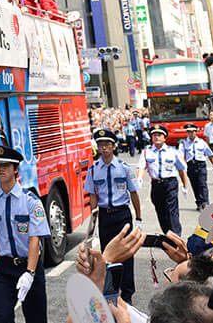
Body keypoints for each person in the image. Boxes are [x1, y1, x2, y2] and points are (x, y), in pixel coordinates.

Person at [0, 144, 48, 323]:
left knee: (36, 319)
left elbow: (34, 239)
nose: (1, 169)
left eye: (6, 165)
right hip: (4, 269)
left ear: (16, 169)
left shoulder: (31, 201)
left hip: (29, 265)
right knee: (1, 318)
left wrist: (30, 273)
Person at [83, 128, 143, 304]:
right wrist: (93, 223)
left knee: (127, 254)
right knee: (107, 255)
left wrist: (138, 219)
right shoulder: (93, 170)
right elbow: (93, 195)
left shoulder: (124, 168)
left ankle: (128, 294)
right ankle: (111, 291)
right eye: (101, 145)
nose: (104, 148)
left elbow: (134, 193)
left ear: (114, 146)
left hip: (122, 215)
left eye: (107, 144)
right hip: (105, 217)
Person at [139, 126, 189, 237]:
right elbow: (142, 167)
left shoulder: (173, 152)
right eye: (154, 135)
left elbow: (181, 170)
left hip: (170, 183)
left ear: (164, 138)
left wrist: (185, 185)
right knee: (160, 211)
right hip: (156, 184)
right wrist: (140, 179)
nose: (156, 137)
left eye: (159, 135)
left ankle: (176, 237)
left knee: (172, 211)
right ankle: (168, 234)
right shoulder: (147, 152)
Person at [179, 123, 213, 210]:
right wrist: (184, 165)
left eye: (192, 132)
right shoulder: (184, 143)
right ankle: (199, 202)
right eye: (189, 132)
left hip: (201, 165)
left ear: (196, 132)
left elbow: (209, 154)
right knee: (195, 185)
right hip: (191, 165)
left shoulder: (202, 142)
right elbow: (181, 155)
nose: (191, 134)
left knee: (202, 184)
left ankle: (205, 202)